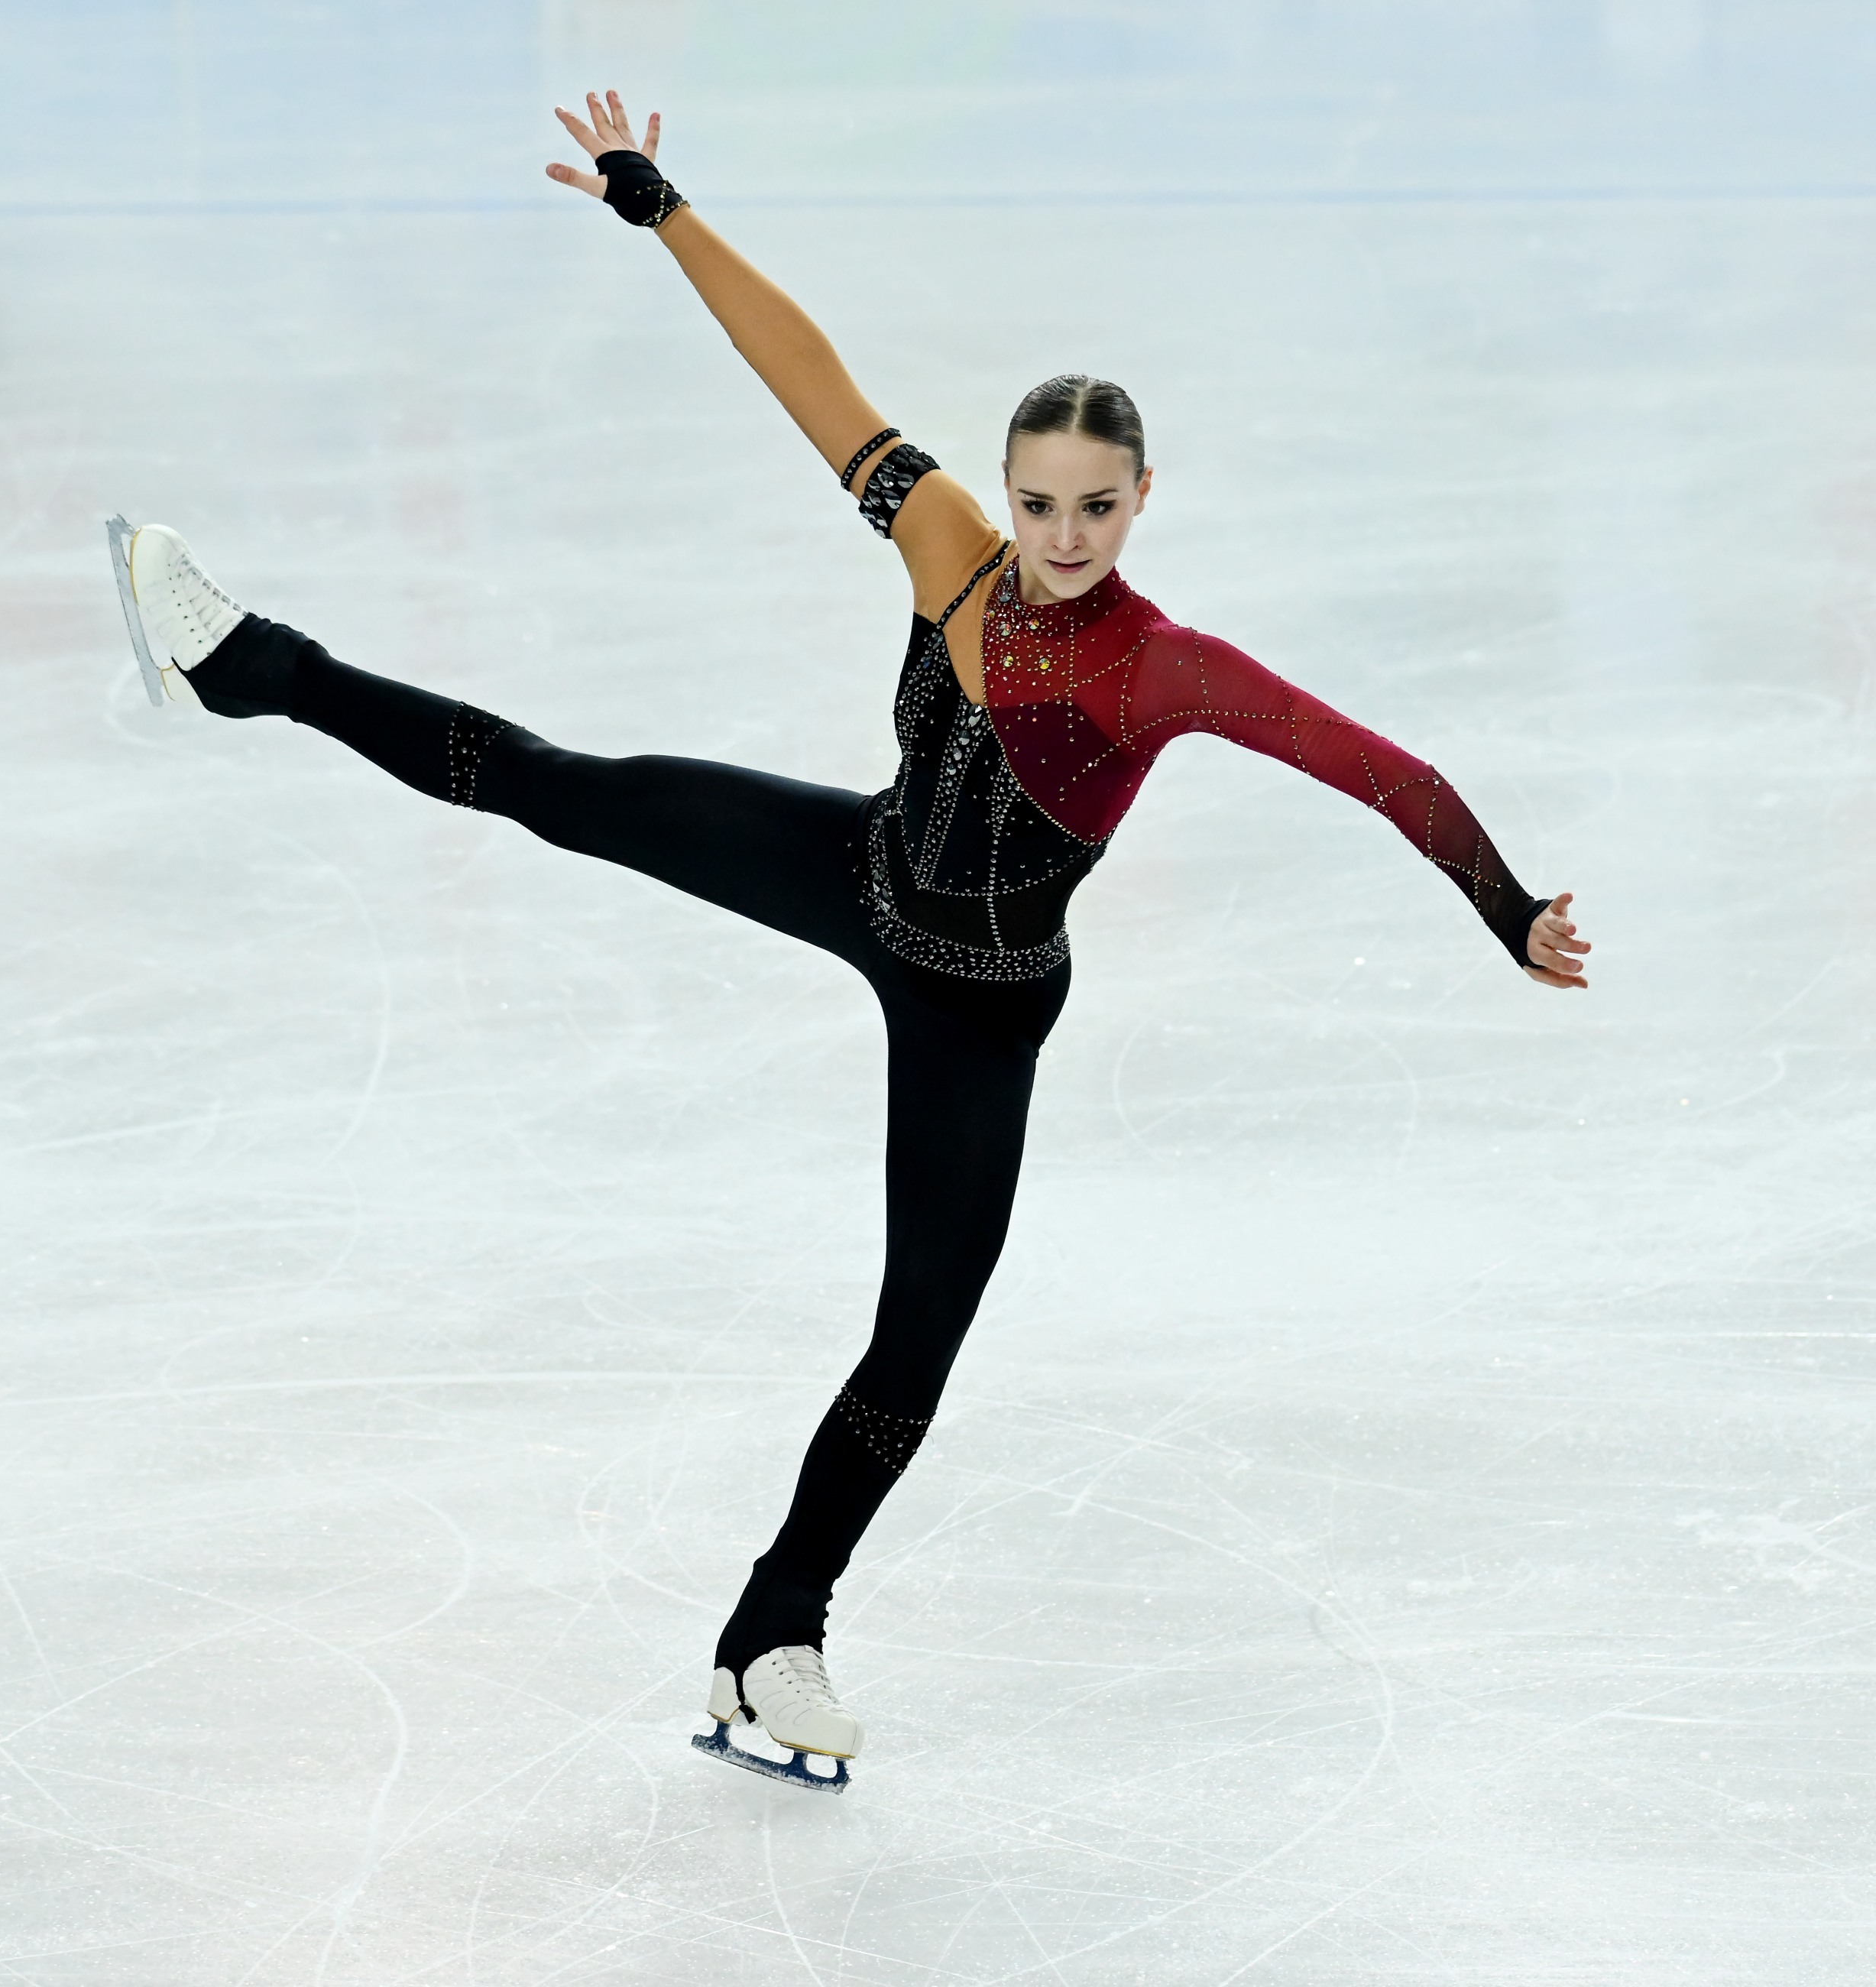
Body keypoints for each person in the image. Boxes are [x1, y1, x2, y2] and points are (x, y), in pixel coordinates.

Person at [105, 89, 1590, 1796]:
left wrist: (1504, 908)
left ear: (1140, 501)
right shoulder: (948, 545)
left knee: (915, 1341)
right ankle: (246, 664)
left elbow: (1377, 768)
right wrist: (662, 210)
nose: (1061, 538)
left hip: (984, 1009)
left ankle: (774, 1630)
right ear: (1007, 489)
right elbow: (803, 372)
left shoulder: (1163, 669)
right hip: (862, 869)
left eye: (1095, 509)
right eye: (1040, 501)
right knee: (559, 785)